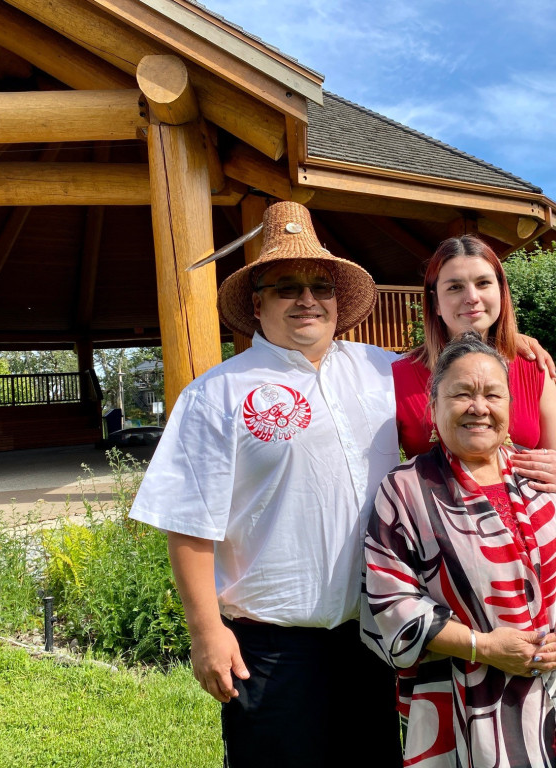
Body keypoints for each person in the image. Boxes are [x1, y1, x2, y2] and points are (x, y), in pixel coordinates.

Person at [129, 201, 402, 768]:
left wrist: (514, 343)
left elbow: (472, 376)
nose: (307, 299)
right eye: (286, 287)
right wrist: (206, 632)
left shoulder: (386, 371)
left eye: (319, 285)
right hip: (272, 648)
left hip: (375, 636)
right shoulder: (217, 394)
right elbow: (187, 522)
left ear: (337, 299)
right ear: (258, 305)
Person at [362, 333, 556, 768]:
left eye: (492, 394)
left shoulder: (538, 472)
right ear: (433, 405)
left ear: (509, 406)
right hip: (463, 698)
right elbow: (392, 603)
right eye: (461, 393)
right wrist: (482, 645)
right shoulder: (406, 491)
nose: (478, 407)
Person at [394, 235, 556, 496]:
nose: (472, 297)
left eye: (483, 283)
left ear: (501, 292)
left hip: (527, 526)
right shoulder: (399, 376)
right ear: (436, 302)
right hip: (439, 529)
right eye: (454, 287)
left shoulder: (533, 366)